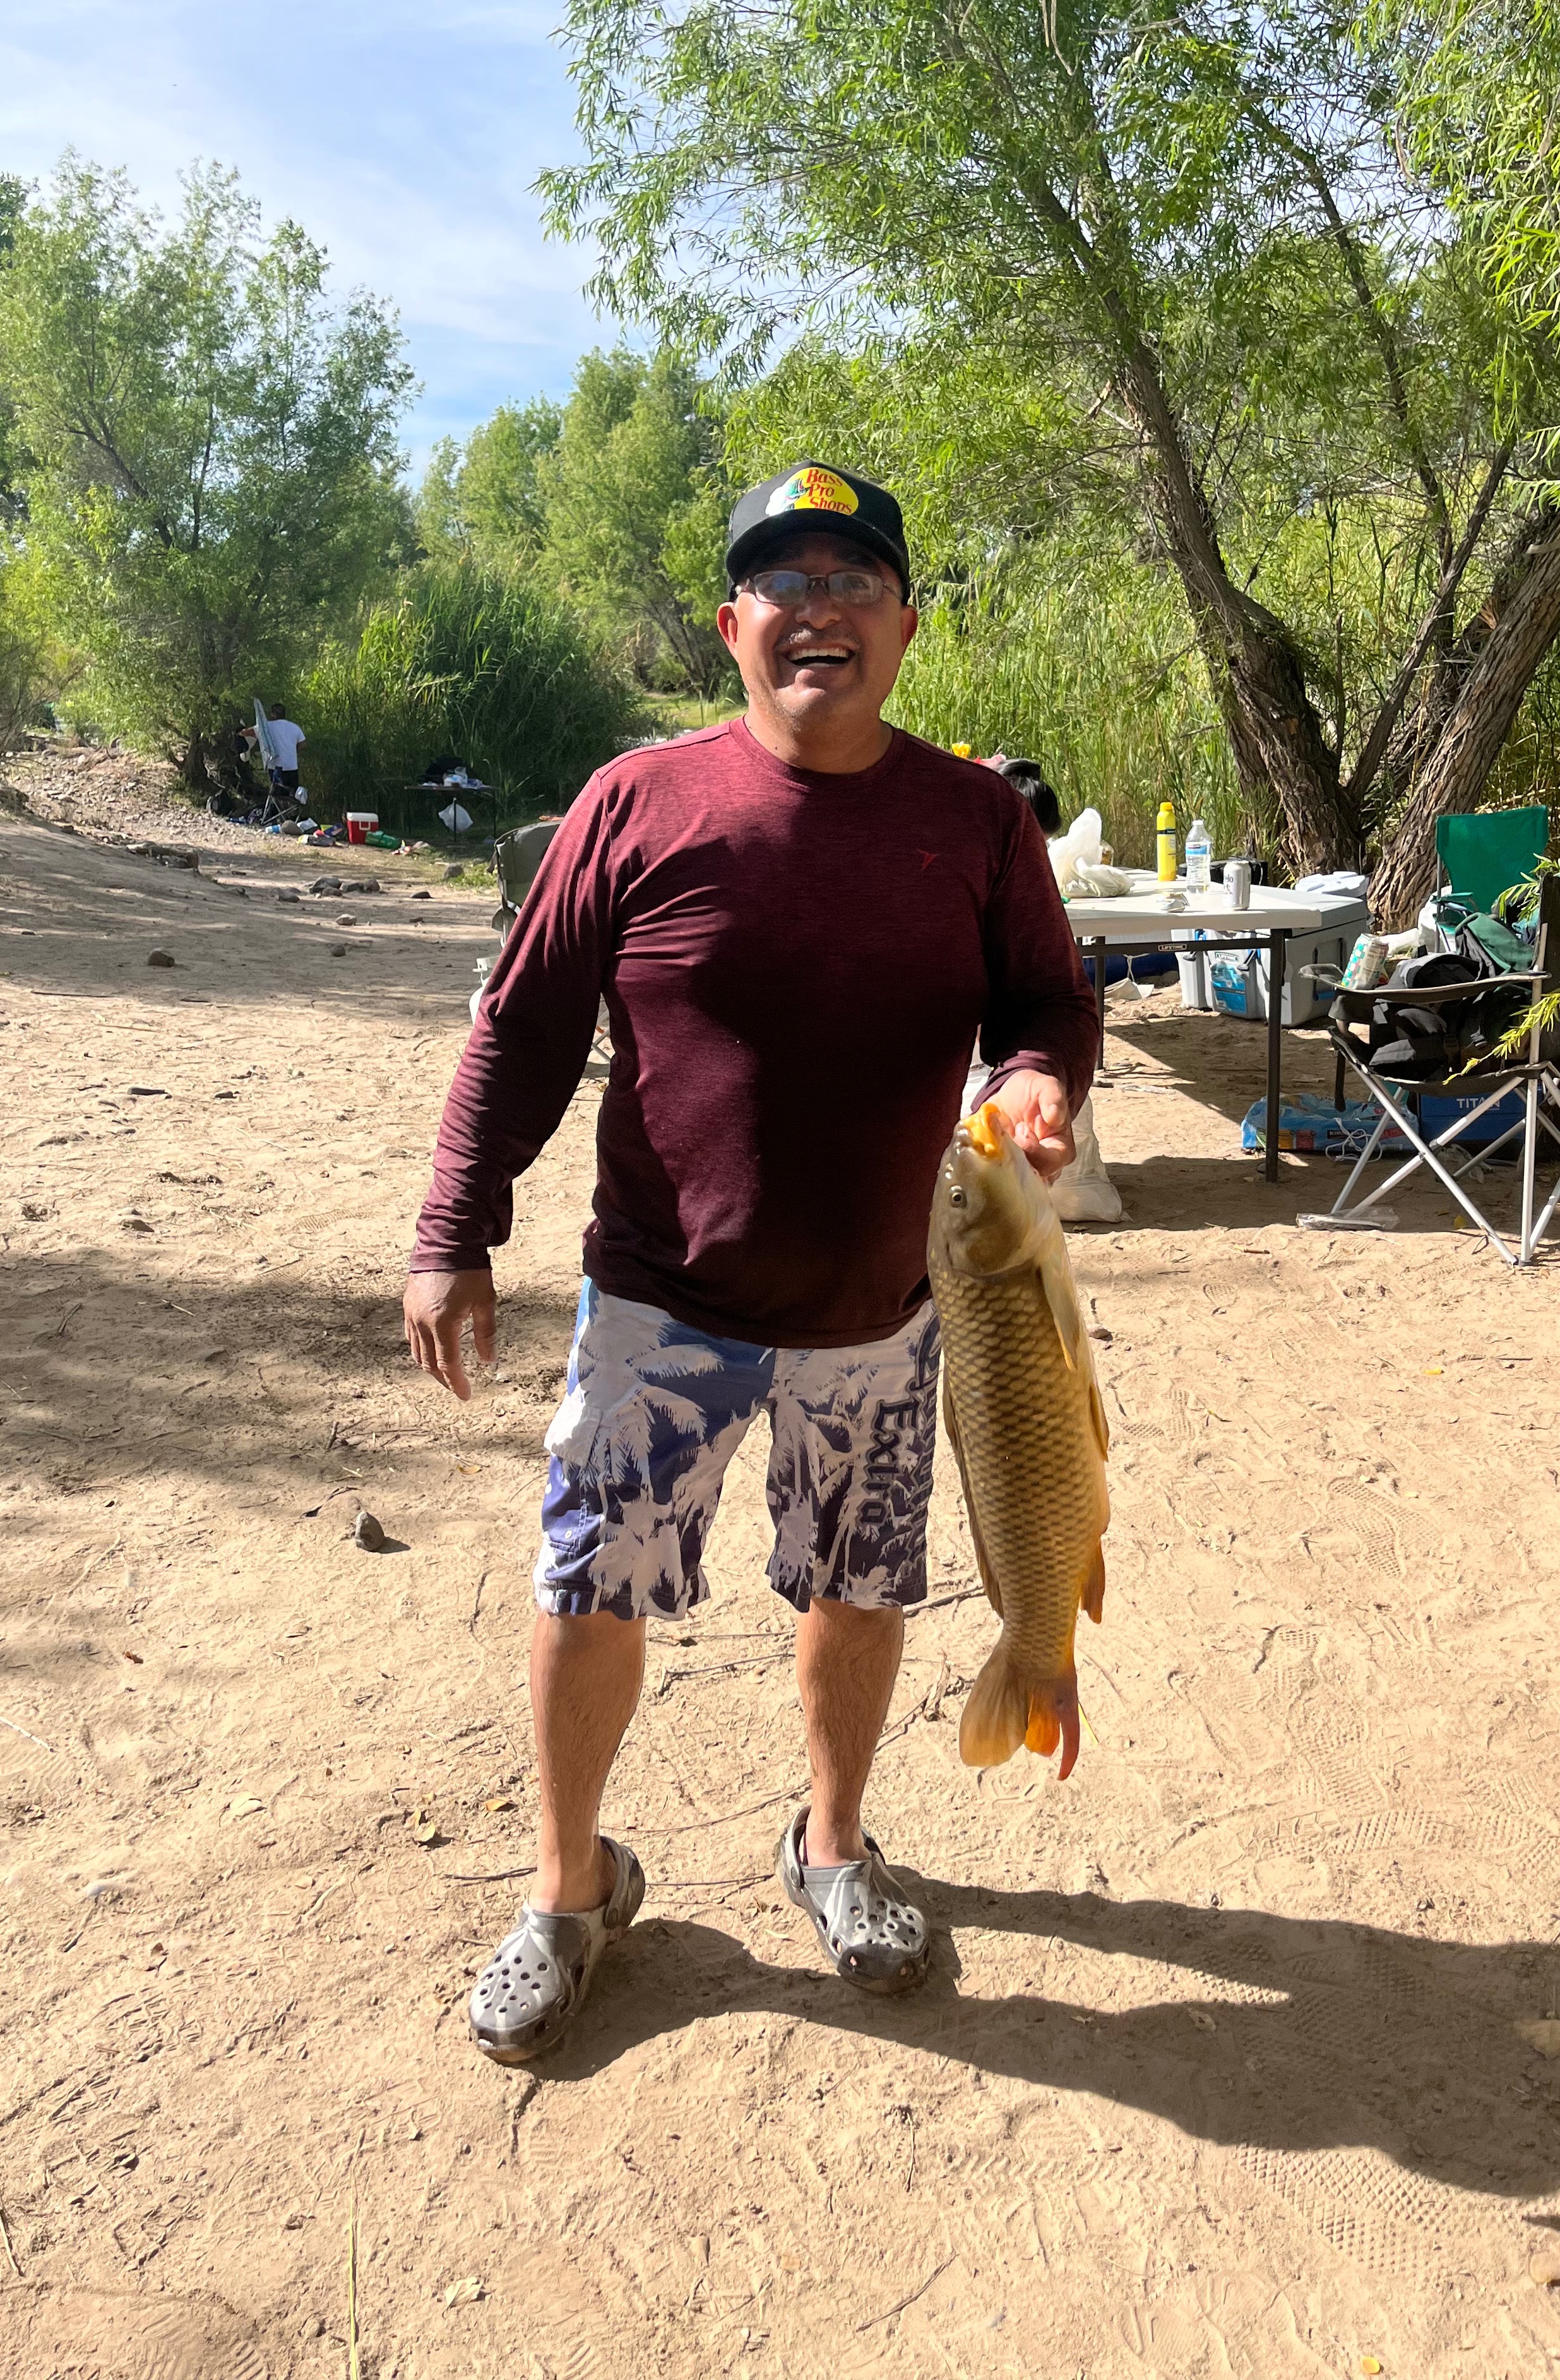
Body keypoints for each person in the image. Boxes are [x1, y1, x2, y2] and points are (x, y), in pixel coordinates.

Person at [403, 461, 1100, 2064]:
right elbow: (521, 1030)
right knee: (590, 1591)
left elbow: (1048, 1006)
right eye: (785, 582)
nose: (820, 611)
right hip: (661, 1306)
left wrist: (1035, 1081)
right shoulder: (635, 805)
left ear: (906, 628)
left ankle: (833, 1848)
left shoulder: (978, 823)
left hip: (886, 1312)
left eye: (856, 581)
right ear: (733, 626)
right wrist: (455, 1229)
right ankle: (571, 1892)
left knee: (860, 1588)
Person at [251, 701, 306, 798]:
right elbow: (303, 744)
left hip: (276, 768)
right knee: (292, 795)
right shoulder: (294, 727)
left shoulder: (267, 727)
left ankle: (278, 807)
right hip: (292, 767)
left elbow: (249, 732)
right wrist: (294, 750)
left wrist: (239, 733)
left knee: (277, 796)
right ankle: (292, 808)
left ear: (272, 714)